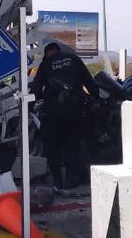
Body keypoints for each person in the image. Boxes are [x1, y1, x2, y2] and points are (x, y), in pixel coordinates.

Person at [31, 43, 99, 191]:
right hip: (74, 109)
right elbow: (89, 80)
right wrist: (95, 97)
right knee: (72, 146)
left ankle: (57, 181)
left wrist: (29, 106)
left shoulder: (46, 63)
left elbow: (36, 87)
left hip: (52, 112)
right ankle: (70, 180)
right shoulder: (74, 59)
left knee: (52, 147)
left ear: (48, 52)